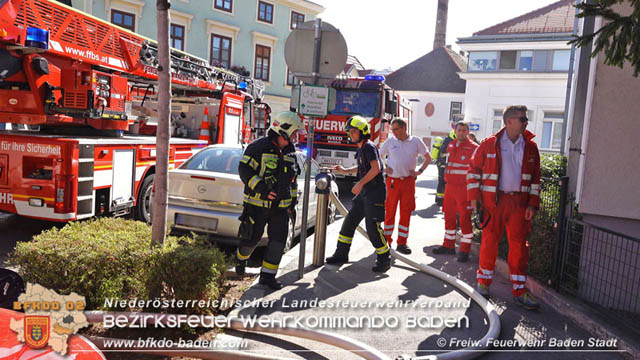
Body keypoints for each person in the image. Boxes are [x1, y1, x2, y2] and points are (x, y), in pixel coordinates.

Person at [467, 105, 541, 310]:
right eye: (522, 119)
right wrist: (474, 199)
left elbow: (535, 179)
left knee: (519, 247)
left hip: (519, 204)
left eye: (526, 119)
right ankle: (483, 283)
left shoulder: (531, 147)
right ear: (509, 121)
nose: (526, 122)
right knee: (489, 243)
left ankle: (519, 289)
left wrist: (532, 205)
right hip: (494, 203)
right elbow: (473, 171)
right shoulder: (489, 144)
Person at [236, 111, 305, 290]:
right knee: (251, 239)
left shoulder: (291, 153)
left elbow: (293, 180)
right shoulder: (257, 148)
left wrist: (292, 203)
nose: (296, 136)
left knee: (278, 243)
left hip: (280, 210)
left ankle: (267, 277)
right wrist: (262, 189)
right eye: (294, 132)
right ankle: (241, 259)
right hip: (256, 206)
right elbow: (244, 170)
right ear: (284, 130)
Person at [325, 115, 391, 272]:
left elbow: (376, 168)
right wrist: (345, 170)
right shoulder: (362, 148)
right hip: (366, 193)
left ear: (363, 131)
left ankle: (384, 257)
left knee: (372, 227)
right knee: (349, 222)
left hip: (374, 193)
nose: (351, 135)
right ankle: (341, 254)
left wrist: (360, 184)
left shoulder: (368, 147)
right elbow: (364, 168)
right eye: (349, 132)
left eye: (353, 131)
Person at [379, 118, 431, 255]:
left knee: (406, 212)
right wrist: (384, 168)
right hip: (392, 182)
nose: (394, 132)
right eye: (392, 130)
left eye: (396, 129)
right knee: (389, 212)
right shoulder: (390, 141)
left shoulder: (415, 141)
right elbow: (379, 155)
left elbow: (428, 158)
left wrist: (419, 171)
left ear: (403, 128)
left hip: (408, 182)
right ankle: (386, 241)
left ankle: (402, 242)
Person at [432, 121, 478, 262]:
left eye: (464, 130)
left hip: (464, 188)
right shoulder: (451, 145)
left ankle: (464, 250)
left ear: (468, 132)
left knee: (464, 218)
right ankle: (448, 245)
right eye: (459, 130)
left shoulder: (474, 148)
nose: (461, 133)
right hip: (450, 187)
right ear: (455, 131)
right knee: (449, 216)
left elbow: (477, 170)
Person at [432, 130, 456, 206]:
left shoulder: (446, 141)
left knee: (441, 182)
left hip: (441, 164)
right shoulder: (452, 143)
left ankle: (438, 199)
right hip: (445, 165)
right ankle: (441, 200)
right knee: (444, 182)